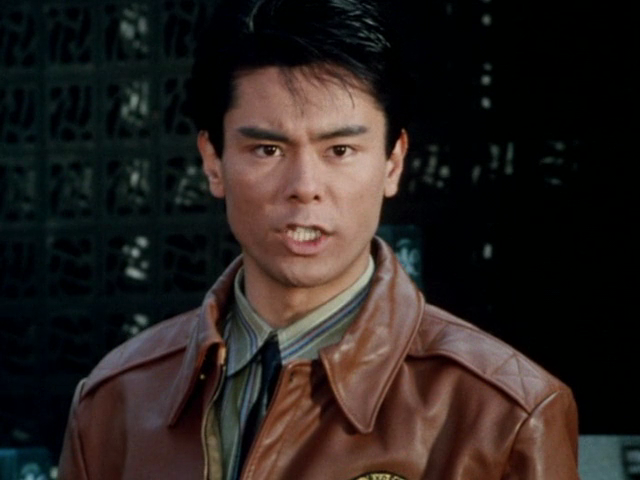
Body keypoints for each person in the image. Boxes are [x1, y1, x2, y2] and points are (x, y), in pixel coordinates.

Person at [58, 0, 580, 478]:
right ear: (213, 161)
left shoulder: (504, 414)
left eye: (340, 151)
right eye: (268, 150)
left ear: (393, 162)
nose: (304, 187)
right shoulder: (117, 400)